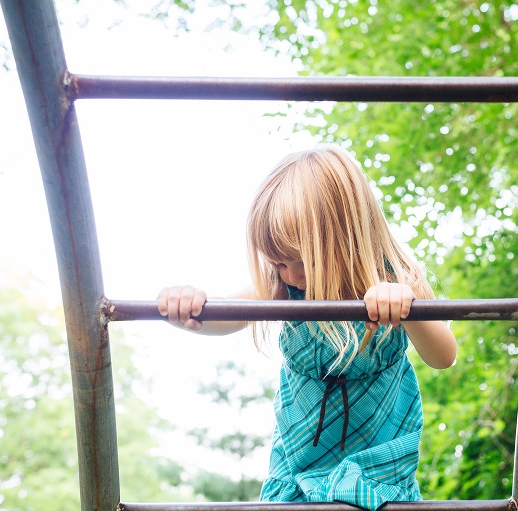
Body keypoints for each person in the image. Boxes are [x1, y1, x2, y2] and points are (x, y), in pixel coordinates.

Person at [157, 145, 457, 510]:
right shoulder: (282, 288)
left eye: (301, 260)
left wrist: (406, 307)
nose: (292, 274)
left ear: (347, 237)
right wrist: (191, 310)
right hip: (298, 469)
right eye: (279, 263)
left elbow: (443, 356)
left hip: (377, 468)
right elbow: (229, 314)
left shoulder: (398, 279)